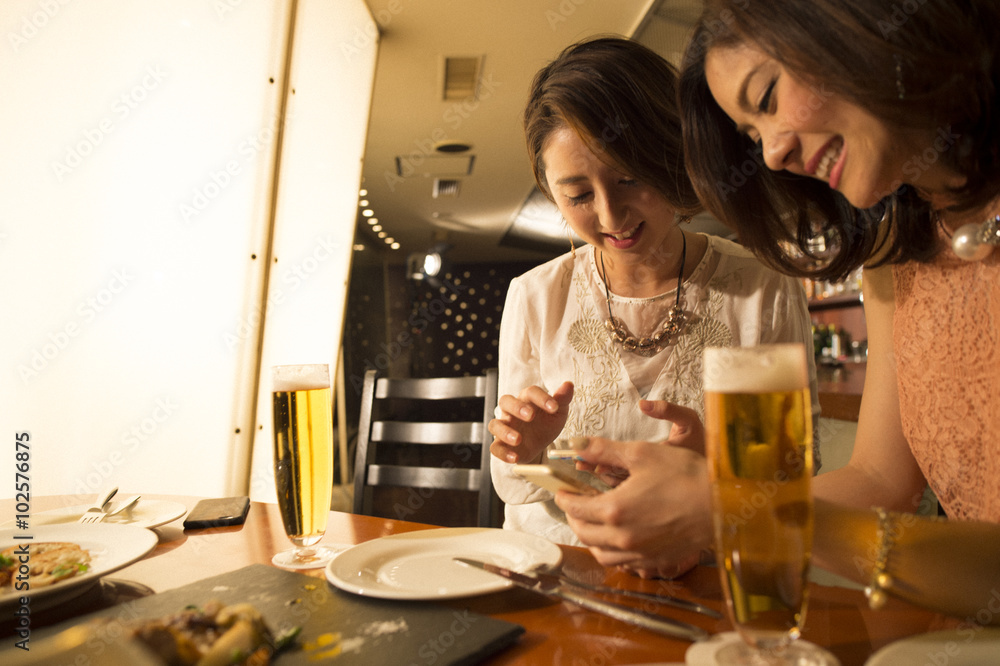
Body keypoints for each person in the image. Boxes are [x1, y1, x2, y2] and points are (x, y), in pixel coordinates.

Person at [556, 0, 1000, 621]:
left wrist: (730, 510)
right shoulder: (894, 251)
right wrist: (705, 518)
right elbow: (878, 480)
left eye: (765, 97)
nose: (771, 155)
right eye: (751, 137)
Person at [487, 36, 819, 573]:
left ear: (676, 153)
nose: (612, 215)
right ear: (552, 194)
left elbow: (794, 475)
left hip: (717, 583)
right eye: (578, 195)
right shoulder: (535, 296)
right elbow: (515, 481)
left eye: (630, 178)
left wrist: (713, 475)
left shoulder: (761, 288)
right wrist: (541, 453)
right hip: (563, 576)